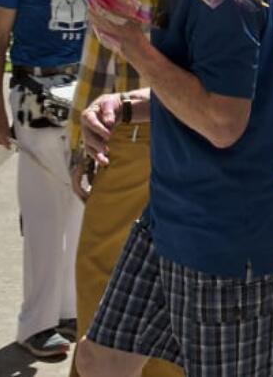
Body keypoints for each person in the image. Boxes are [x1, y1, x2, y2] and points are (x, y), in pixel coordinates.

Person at [74, 0, 273, 377]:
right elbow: (205, 89)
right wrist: (125, 106)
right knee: (101, 359)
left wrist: (134, 47)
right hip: (170, 214)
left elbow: (223, 120)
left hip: (225, 235)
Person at [0, 0, 89, 358]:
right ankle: (36, 323)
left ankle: (68, 310)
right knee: (44, 212)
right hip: (36, 92)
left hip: (84, 90)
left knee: (81, 205)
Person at [68, 26, 183, 377]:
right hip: (173, 133)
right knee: (178, 275)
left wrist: (77, 146)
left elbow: (100, 63)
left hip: (133, 131)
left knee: (102, 270)